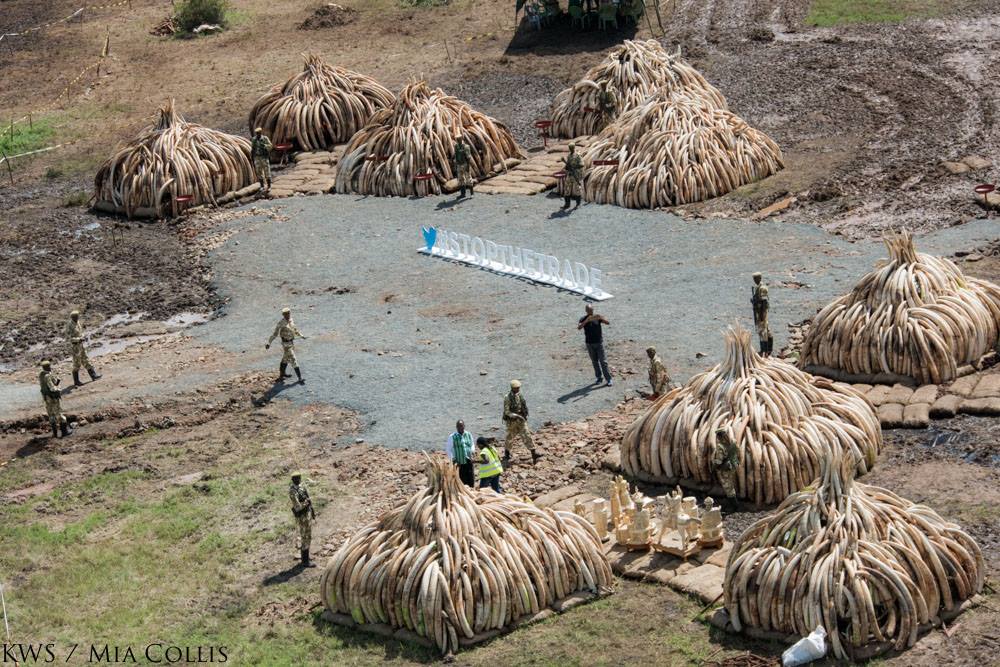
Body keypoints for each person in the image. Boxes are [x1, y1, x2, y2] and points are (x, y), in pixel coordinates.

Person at [266, 307, 306, 383]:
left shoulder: (291, 320)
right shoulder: (281, 323)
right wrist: (269, 343)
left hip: (291, 343)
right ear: (283, 315)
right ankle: (300, 378)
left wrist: (301, 336)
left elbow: (295, 330)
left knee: (285, 359)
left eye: (288, 313)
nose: (287, 315)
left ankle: (282, 375)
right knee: (293, 359)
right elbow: (275, 334)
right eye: (286, 314)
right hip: (286, 345)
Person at [503, 380, 538, 464]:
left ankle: (534, 454)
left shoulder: (520, 395)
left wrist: (523, 415)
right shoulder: (507, 397)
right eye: (516, 388)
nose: (518, 389)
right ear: (512, 388)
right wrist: (517, 416)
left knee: (527, 435)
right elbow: (507, 412)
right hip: (512, 422)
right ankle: (507, 454)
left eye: (518, 388)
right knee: (510, 437)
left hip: (521, 420)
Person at [578, 304, 612, 386]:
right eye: (589, 310)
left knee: (603, 361)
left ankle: (609, 379)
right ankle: (599, 378)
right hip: (589, 343)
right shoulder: (583, 318)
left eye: (592, 310)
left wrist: (601, 318)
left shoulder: (597, 317)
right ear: (586, 311)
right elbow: (579, 327)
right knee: (594, 361)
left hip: (599, 343)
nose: (591, 312)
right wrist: (587, 321)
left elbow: (608, 322)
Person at [65, 310, 100, 386]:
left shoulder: (77, 322)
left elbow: (80, 332)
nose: (78, 318)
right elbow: (68, 338)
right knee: (77, 363)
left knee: (85, 359)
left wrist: (83, 337)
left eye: (78, 316)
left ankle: (93, 375)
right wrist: (78, 339)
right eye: (76, 317)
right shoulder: (69, 325)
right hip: (75, 347)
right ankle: (76, 381)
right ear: (73, 317)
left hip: (80, 345)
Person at [289, 472, 316, 567]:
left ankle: (306, 556)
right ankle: (305, 561)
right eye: (296, 478)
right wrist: (306, 503)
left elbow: (308, 499)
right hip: (302, 517)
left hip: (307, 514)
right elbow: (297, 507)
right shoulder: (293, 491)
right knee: (305, 537)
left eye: (299, 478)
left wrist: (312, 511)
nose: (298, 480)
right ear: (293, 480)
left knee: (308, 536)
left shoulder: (301, 487)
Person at [38, 360, 69, 438]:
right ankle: (64, 432)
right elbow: (52, 388)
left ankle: (55, 434)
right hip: (52, 398)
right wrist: (59, 389)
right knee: (59, 414)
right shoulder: (48, 376)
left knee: (51, 415)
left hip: (46, 398)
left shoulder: (41, 375)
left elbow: (45, 386)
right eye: (49, 366)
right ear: (48, 367)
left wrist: (56, 382)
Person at [446, 420, 476, 487]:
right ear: (456, 427)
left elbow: (472, 444)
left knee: (470, 477)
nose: (460, 427)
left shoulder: (468, 434)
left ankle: (471, 489)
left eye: (461, 426)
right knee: (462, 479)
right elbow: (448, 449)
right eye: (459, 426)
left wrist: (472, 451)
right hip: (459, 462)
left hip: (468, 460)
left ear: (464, 426)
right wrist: (453, 459)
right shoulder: (452, 436)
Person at [713, 429, 740, 498]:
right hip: (734, 465)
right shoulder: (733, 441)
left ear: (718, 437)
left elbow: (719, 461)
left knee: (728, 488)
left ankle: (734, 504)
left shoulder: (720, 446)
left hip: (726, 468)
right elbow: (737, 451)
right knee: (731, 485)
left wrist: (714, 467)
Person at [751, 272, 773, 356]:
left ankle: (765, 350)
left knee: (763, 330)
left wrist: (761, 316)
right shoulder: (757, 287)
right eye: (754, 279)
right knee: (765, 329)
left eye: (756, 278)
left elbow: (764, 302)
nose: (755, 280)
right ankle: (767, 349)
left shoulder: (762, 288)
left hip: (762, 312)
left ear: (760, 278)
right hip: (759, 311)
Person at [560, 143, 584, 210]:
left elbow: (582, 164)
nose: (570, 149)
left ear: (574, 148)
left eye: (571, 148)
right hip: (570, 174)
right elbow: (568, 164)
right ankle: (567, 204)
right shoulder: (569, 156)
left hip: (576, 174)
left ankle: (578, 204)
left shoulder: (578, 155)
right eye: (570, 148)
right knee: (567, 189)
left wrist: (574, 167)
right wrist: (566, 167)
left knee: (577, 190)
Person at [251, 127, 273, 192]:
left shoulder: (265, 138)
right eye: (257, 133)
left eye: (259, 133)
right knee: (259, 172)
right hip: (257, 158)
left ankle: (269, 186)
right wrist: (252, 156)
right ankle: (262, 186)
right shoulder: (254, 139)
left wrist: (265, 146)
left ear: (261, 132)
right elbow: (252, 148)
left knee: (267, 171)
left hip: (264, 157)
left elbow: (270, 146)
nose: (258, 134)